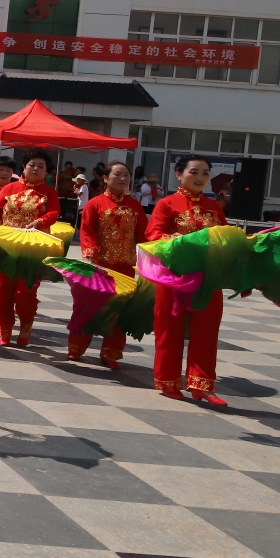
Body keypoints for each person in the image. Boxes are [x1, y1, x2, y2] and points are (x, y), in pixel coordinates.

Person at [147, 155, 228, 406]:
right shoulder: (167, 204)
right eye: (194, 172)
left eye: (205, 173)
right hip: (174, 278)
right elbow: (153, 236)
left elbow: (224, 238)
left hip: (207, 279)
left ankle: (201, 385)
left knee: (206, 331)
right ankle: (168, 381)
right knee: (169, 330)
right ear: (179, 174)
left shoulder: (214, 208)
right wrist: (175, 239)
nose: (200, 177)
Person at [0, 153, 59, 347]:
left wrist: (40, 221)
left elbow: (53, 212)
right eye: (32, 165)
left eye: (41, 166)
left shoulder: (49, 192)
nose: (36, 169)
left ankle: (26, 327)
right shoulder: (10, 188)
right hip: (6, 247)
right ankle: (5, 329)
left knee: (25, 292)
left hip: (33, 250)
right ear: (24, 167)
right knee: (2, 290)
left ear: (46, 171)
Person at [68, 162, 146, 369]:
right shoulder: (95, 204)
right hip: (100, 265)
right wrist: (90, 253)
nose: (123, 179)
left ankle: (111, 352)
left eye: (126, 175)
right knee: (88, 307)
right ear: (105, 178)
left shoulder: (135, 205)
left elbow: (143, 234)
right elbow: (86, 230)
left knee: (119, 310)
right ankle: (76, 347)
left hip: (126, 267)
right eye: (117, 174)